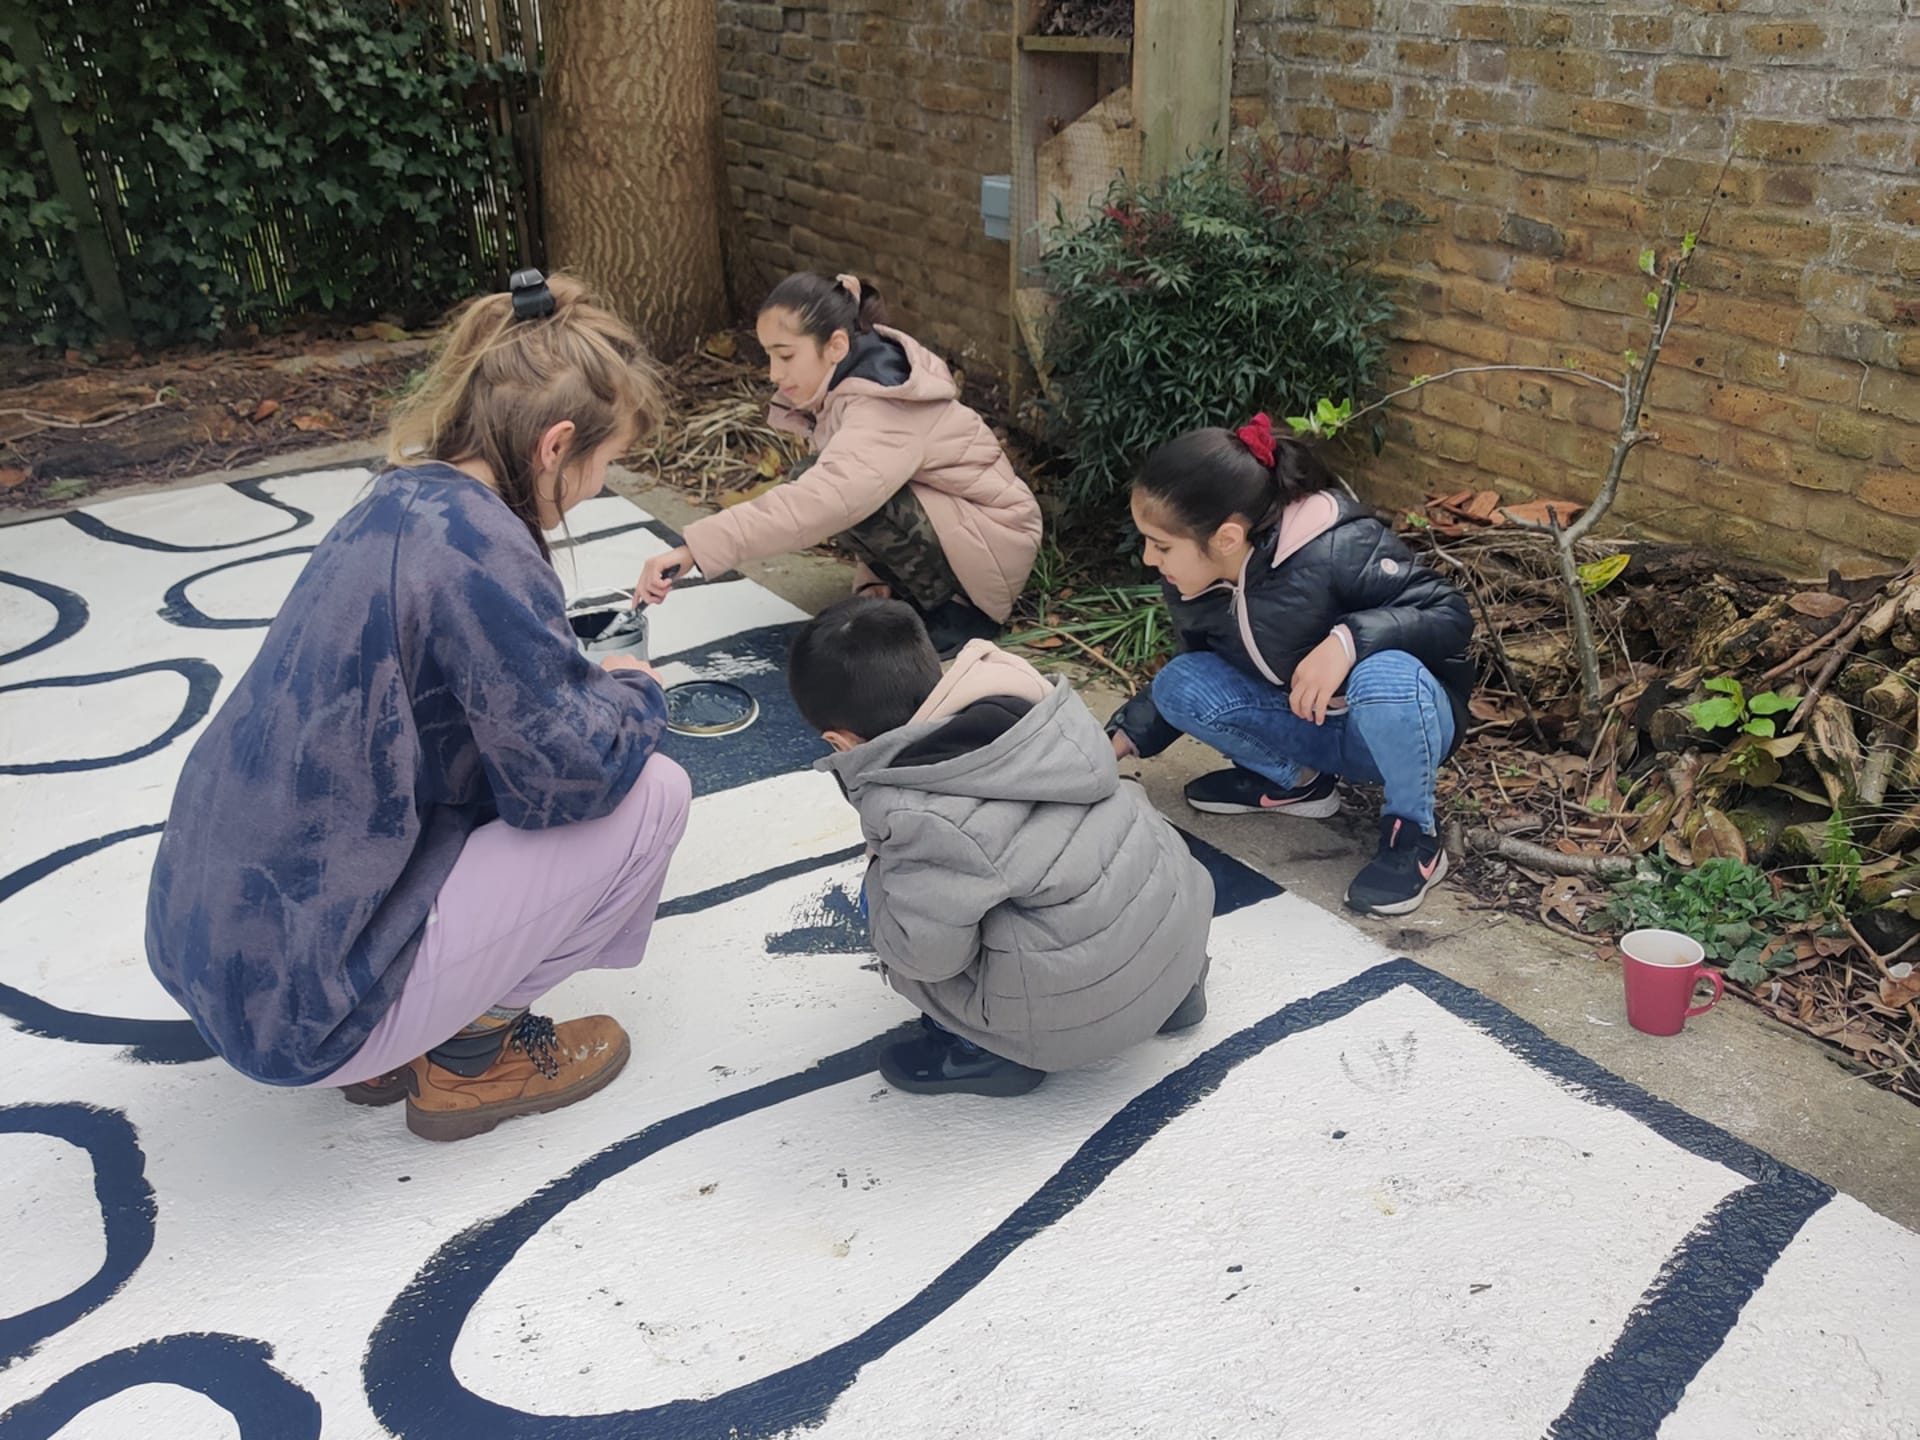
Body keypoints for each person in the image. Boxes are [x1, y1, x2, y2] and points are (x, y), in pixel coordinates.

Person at [145, 271, 691, 1143]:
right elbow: (573, 778)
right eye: (606, 461)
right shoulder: (482, 551)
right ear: (555, 445)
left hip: (222, 959)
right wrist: (635, 693)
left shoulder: (399, 498)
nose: (599, 485)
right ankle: (470, 1061)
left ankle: (404, 1027)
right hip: (300, 1018)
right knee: (654, 791)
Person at [789, 597, 1213, 1096]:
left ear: (839, 741)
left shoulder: (917, 810)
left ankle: (989, 1053)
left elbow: (927, 958)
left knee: (890, 907)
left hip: (1076, 1014)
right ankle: (1176, 995)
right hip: (1178, 940)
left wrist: (878, 876)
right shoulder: (1031, 702)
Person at [1107, 415, 1474, 917]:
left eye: (1162, 545)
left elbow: (1448, 614)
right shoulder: (1192, 580)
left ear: (1227, 537)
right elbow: (1200, 664)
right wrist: (1123, 737)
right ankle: (1298, 783)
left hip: (1393, 726)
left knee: (1385, 675)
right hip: (1308, 724)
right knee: (1179, 684)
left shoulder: (1339, 545)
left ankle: (1413, 835)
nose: (1150, 558)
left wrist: (1347, 641)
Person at [637, 272, 1042, 658]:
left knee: (825, 488)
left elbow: (828, 501)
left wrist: (695, 549)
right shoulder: (852, 386)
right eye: (769, 357)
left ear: (836, 346)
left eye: (786, 356)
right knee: (823, 477)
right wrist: (876, 581)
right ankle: (910, 593)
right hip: (966, 531)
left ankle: (959, 613)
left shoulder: (884, 405)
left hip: (994, 545)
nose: (775, 374)